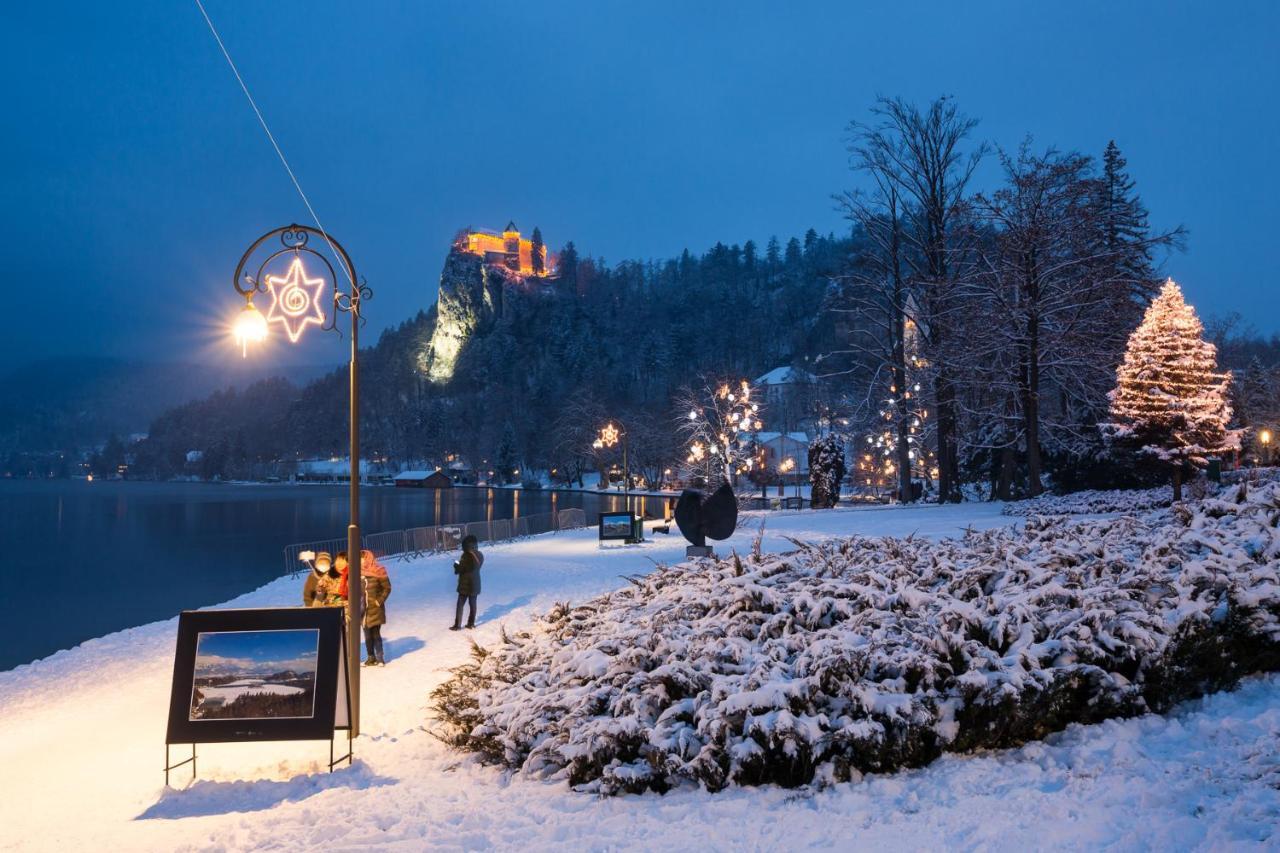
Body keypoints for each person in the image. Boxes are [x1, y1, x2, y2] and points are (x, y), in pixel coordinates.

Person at [361, 550, 391, 666]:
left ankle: (380, 658)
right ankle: (370, 657)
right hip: (363, 610)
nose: (361, 561)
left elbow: (387, 588)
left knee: (375, 634)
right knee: (367, 635)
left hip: (375, 609)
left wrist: (379, 601)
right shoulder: (357, 573)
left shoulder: (379, 571)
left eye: (363, 558)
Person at [451, 534, 483, 631]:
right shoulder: (480, 555)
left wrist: (456, 564)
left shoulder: (466, 555)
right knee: (473, 604)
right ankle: (471, 623)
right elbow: (473, 567)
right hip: (476, 583)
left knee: (460, 604)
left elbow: (460, 570)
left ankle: (457, 625)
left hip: (466, 584)